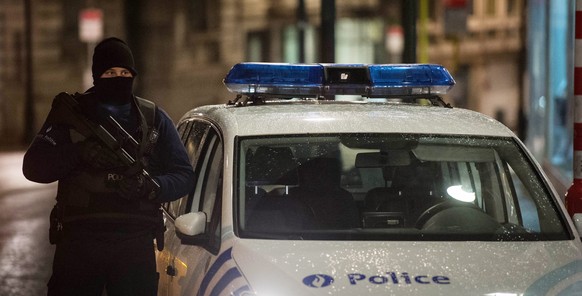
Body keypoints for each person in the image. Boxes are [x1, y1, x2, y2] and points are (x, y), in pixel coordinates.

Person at [22, 37, 195, 296]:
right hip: (79, 242)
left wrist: (151, 186)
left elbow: (184, 175)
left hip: (134, 242)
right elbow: (33, 167)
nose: (119, 78)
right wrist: (78, 153)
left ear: (134, 75)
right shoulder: (73, 114)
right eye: (110, 72)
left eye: (125, 72)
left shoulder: (153, 118)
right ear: (96, 75)